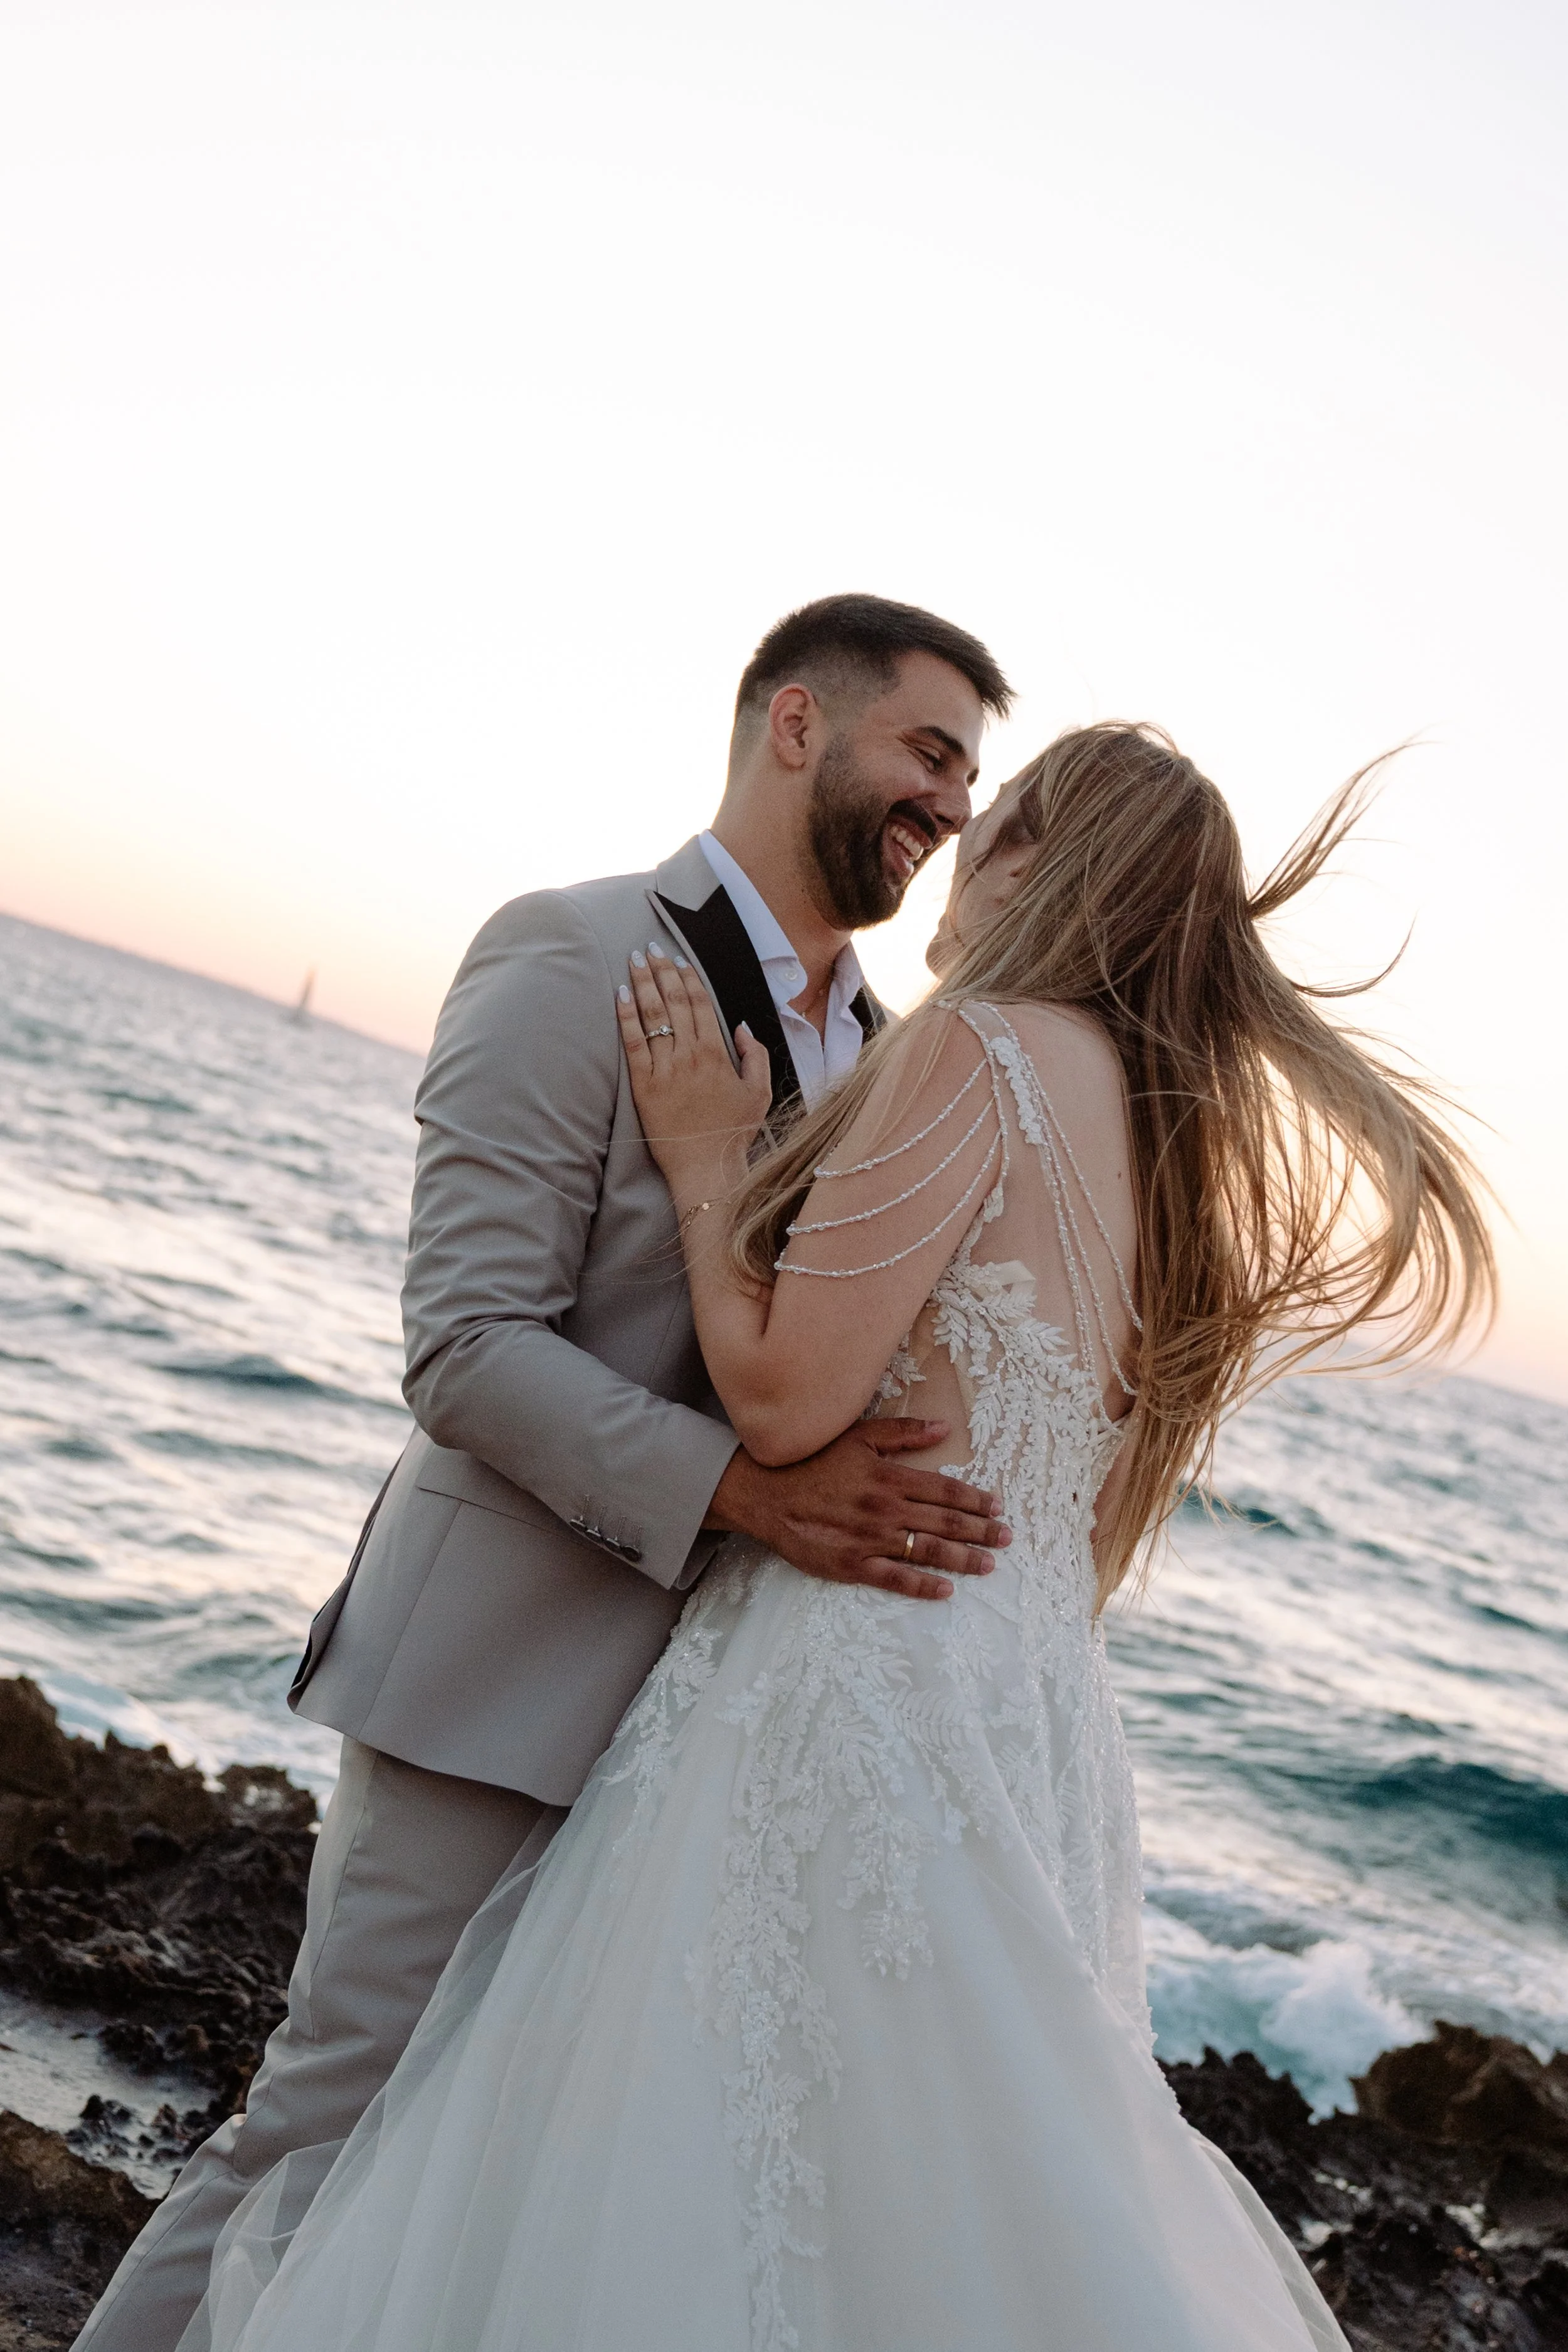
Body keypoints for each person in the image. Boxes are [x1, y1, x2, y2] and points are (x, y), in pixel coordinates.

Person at [167, 720, 1494, 2350]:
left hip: (853, 1672)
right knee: (923, 2175)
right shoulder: (1166, 1160)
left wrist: (715, 1159)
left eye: (990, 822)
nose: (949, 853)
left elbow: (791, 1402)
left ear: (1044, 862)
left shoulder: (975, 1047)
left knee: (684, 2135)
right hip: (1026, 1708)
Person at [75, 593, 1018, 2352]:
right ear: (797, 724)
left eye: (972, 773)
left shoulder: (892, 1060)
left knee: (491, 2184)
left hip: (695, 1737)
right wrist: (745, 1498)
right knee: (316, 2130)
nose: (952, 802)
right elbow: (463, 1344)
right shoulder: (567, 948)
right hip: (489, 1675)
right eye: (932, 751)